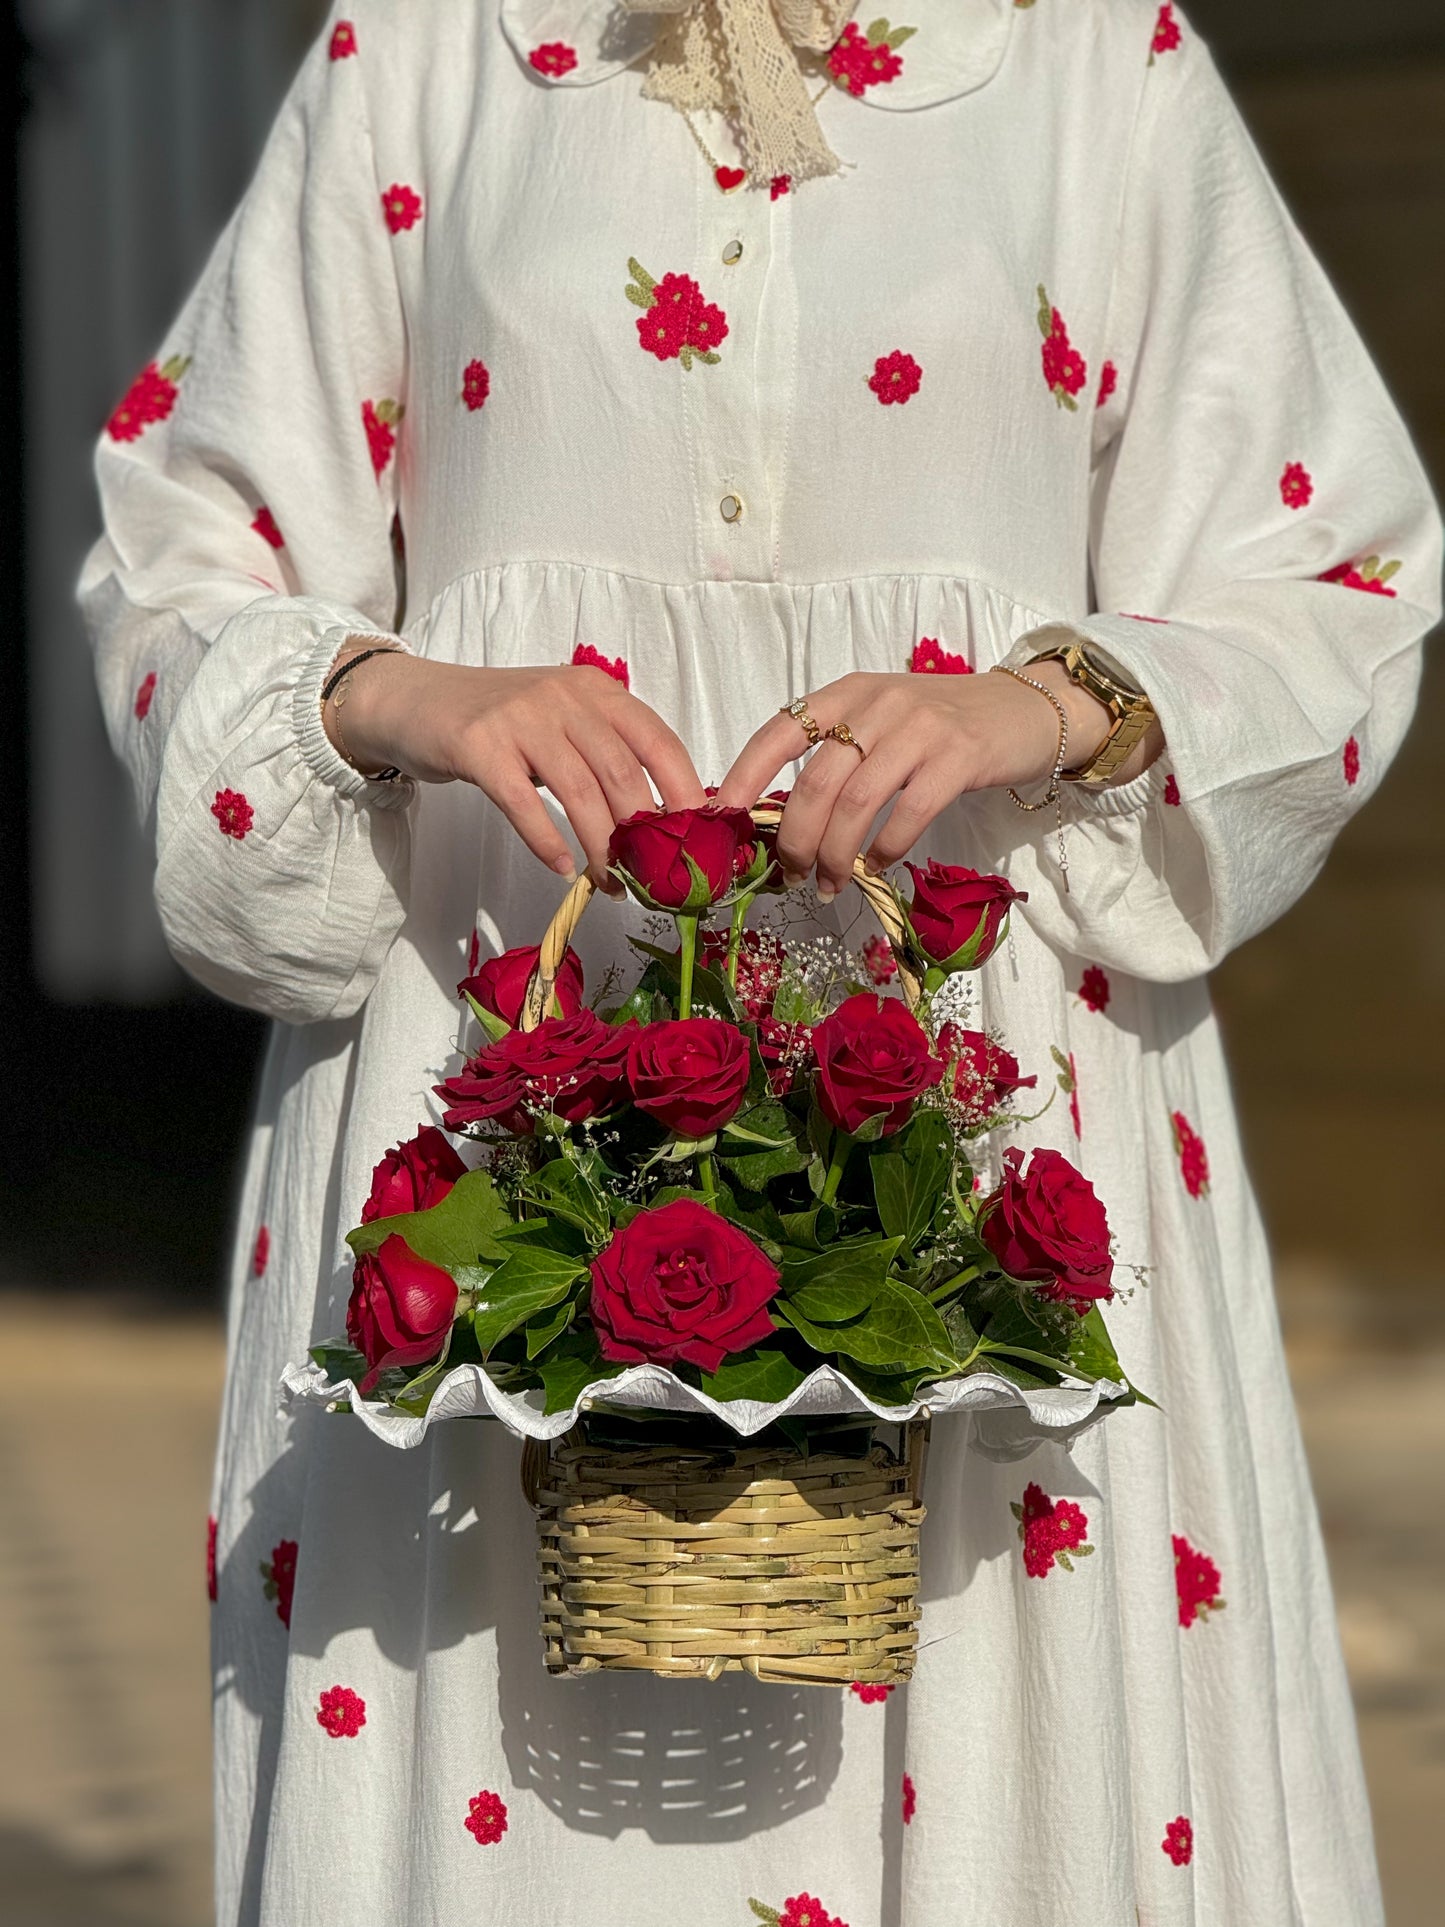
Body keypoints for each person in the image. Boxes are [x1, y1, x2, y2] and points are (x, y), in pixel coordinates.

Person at [80, 3, 1440, 1923]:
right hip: (489, 1060)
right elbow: (182, 555)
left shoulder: (1083, 58)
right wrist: (410, 691)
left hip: (1000, 1084)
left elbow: (1335, 570)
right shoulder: (435, 48)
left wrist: (1039, 702)